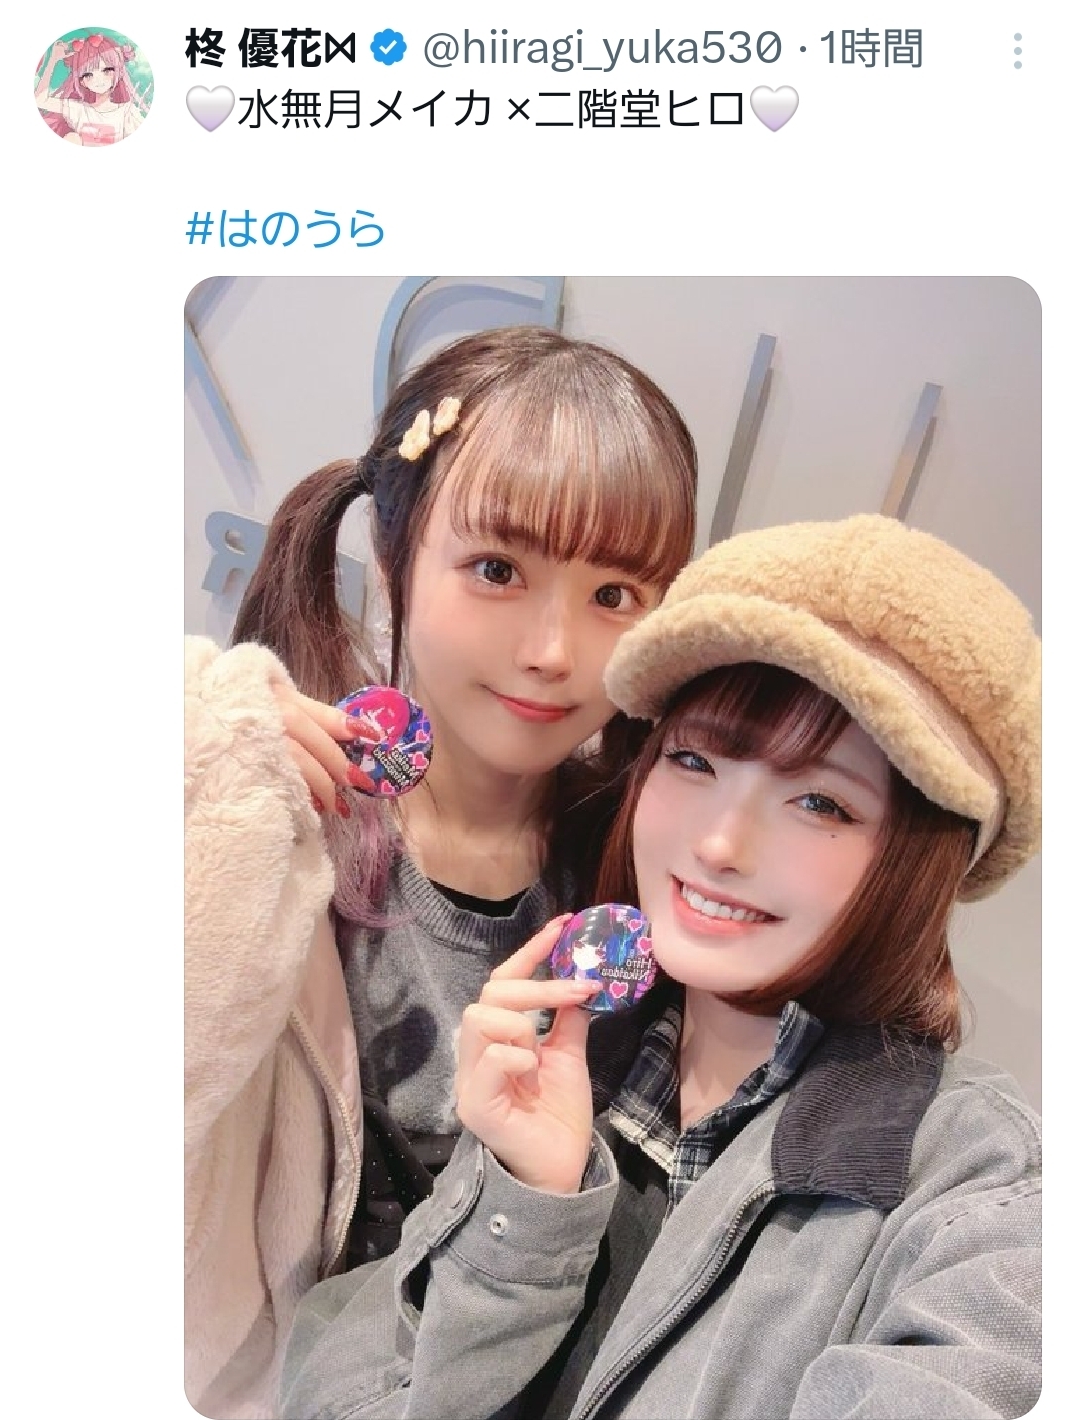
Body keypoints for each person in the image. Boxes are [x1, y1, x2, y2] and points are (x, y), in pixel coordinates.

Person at [280, 514, 1042, 1420]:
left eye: (820, 802)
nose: (719, 844)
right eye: (692, 759)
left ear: (923, 862)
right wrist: (528, 1211)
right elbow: (330, 1391)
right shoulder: (575, 1064)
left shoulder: (973, 1174)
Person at [185, 326, 698, 1416]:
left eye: (615, 594)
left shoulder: (659, 861)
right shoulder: (277, 829)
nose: (553, 650)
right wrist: (206, 769)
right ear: (395, 561)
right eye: (498, 570)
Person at [35, 34, 149, 145]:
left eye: (107, 70)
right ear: (82, 81)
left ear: (118, 72)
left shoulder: (127, 112)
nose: (99, 79)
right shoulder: (77, 109)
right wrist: (53, 60)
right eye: (88, 74)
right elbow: (40, 100)